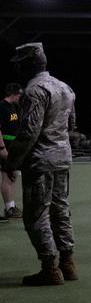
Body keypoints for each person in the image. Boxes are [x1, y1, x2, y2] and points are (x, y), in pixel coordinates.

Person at [1, 43, 77, 285]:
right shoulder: (65, 87)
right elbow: (71, 125)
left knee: (36, 216)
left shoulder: (34, 90)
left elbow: (29, 132)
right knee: (61, 211)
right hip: (62, 157)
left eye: (19, 64)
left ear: (28, 65)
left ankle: (50, 268)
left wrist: (12, 162)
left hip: (40, 161)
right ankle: (68, 263)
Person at [1, 83, 24, 220]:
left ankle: (11, 206)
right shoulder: (2, 106)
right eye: (19, 94)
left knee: (12, 175)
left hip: (14, 146)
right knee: (7, 176)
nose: (20, 97)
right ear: (13, 94)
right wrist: (2, 148)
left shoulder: (14, 106)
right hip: (5, 145)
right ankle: (9, 208)